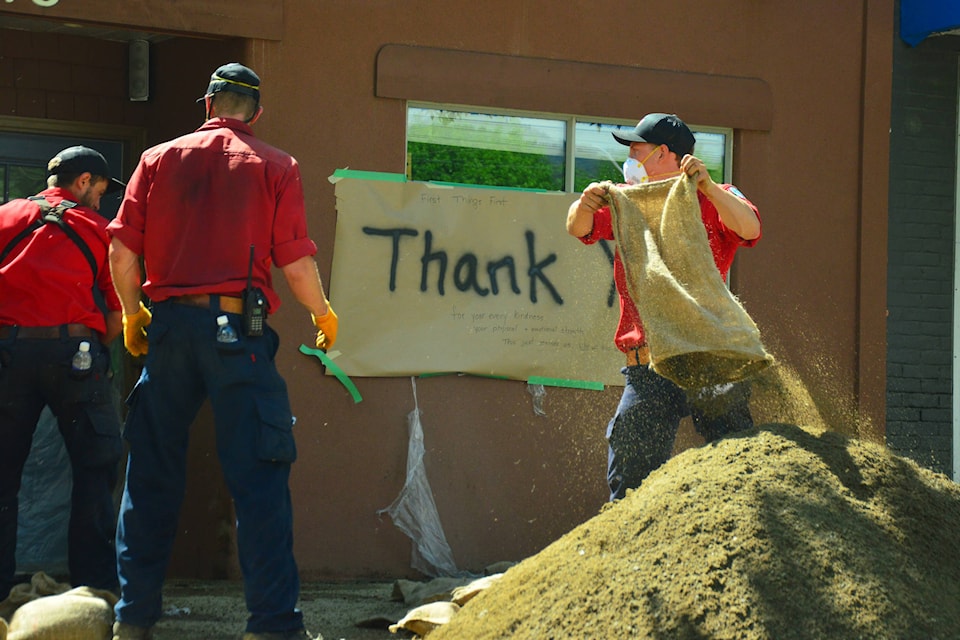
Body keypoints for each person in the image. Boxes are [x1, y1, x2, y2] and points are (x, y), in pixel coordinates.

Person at [107, 63, 338, 640]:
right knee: (259, 480)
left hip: (170, 333)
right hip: (241, 335)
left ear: (208, 103)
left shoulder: (157, 158)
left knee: (150, 476)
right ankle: (271, 627)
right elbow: (295, 262)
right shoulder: (277, 165)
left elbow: (121, 252)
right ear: (255, 112)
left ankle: (132, 621)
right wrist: (322, 313)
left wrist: (135, 314)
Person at [566, 113, 762, 502]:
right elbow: (577, 226)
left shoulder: (717, 193)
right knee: (630, 477)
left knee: (735, 465)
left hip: (709, 357)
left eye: (637, 150)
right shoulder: (626, 199)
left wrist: (706, 186)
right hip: (649, 366)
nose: (630, 158)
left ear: (665, 155)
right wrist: (584, 203)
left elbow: (750, 227)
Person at [0, 145, 126, 599]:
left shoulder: (5, 216)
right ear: (84, 181)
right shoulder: (100, 230)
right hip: (77, 355)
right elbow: (116, 316)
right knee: (95, 469)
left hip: (9, 355)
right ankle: (94, 589)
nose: (101, 199)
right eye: (101, 189)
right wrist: (87, 346)